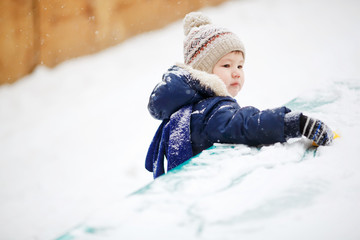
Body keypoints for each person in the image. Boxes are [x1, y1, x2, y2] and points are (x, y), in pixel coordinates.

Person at [145, 12, 333, 179]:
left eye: (240, 66)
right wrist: (294, 123)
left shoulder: (194, 108)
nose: (236, 72)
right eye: (226, 65)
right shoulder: (210, 111)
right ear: (203, 71)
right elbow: (244, 125)